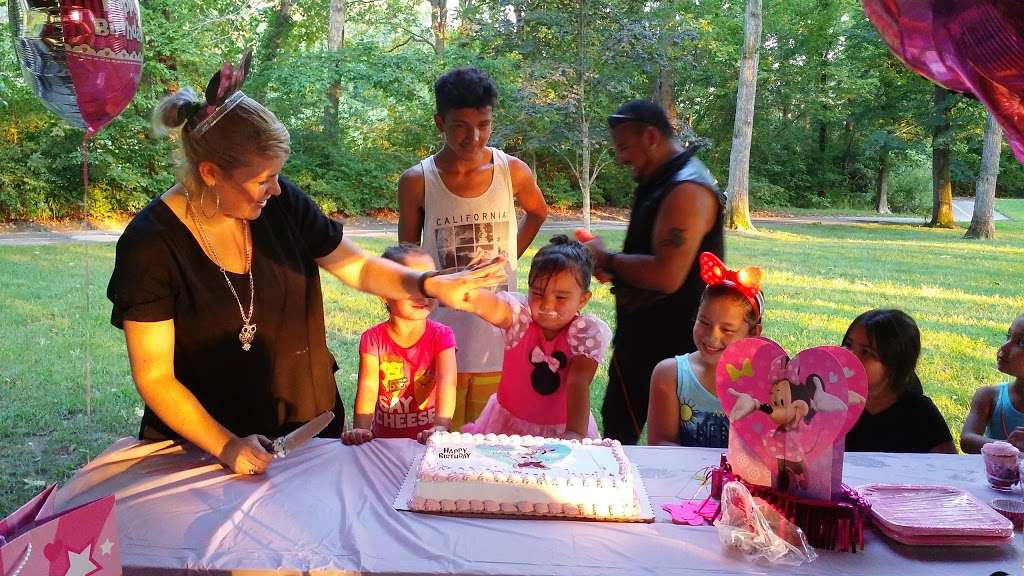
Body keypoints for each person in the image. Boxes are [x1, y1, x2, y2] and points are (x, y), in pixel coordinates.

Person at [107, 55, 505, 477]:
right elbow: (155, 377)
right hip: (203, 449)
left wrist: (427, 284)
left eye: (278, 175)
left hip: (308, 426)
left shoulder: (282, 204)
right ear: (209, 173)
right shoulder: (150, 246)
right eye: (262, 180)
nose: (275, 189)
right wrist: (226, 446)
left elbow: (360, 268)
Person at [397, 67, 549, 431]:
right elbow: (404, 257)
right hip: (439, 335)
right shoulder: (417, 181)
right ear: (439, 122)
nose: (474, 136)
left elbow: (538, 212)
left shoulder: (512, 171)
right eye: (460, 126)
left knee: (491, 441)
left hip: (498, 339)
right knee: (437, 442)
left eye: (483, 124)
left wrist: (509, 258)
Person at [577, 100, 724, 444]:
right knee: (617, 433)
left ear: (652, 136)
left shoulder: (688, 188)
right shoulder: (661, 178)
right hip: (638, 340)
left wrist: (607, 258)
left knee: (675, 445)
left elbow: (665, 275)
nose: (621, 158)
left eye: (625, 147)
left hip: (674, 345)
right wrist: (616, 271)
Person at [452, 236, 611, 439]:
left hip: (562, 429)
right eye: (537, 293)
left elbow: (578, 381)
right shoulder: (520, 319)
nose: (547, 305)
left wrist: (574, 433)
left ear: (583, 299)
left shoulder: (585, 334)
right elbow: (490, 306)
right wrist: (470, 292)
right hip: (507, 427)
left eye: (560, 297)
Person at [341, 245, 456, 445]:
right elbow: (368, 386)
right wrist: (361, 429)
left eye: (430, 283)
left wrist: (441, 426)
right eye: (412, 285)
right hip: (384, 445)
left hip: (426, 443)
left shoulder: (442, 336)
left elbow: (448, 382)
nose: (424, 293)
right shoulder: (373, 338)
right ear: (383, 292)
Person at [646, 253, 764, 447]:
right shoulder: (670, 376)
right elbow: (661, 444)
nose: (712, 337)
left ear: (753, 333)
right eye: (704, 322)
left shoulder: (766, 382)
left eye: (727, 329)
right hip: (684, 477)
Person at [841, 309, 956, 453]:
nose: (850, 356)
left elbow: (947, 464)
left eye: (866, 352)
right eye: (848, 345)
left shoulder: (920, 412)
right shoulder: (833, 405)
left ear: (894, 364)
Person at [960, 314, 1024, 453]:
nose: (1004, 347)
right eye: (1008, 336)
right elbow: (967, 440)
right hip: (997, 474)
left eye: (1021, 343)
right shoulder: (990, 396)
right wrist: (1006, 446)